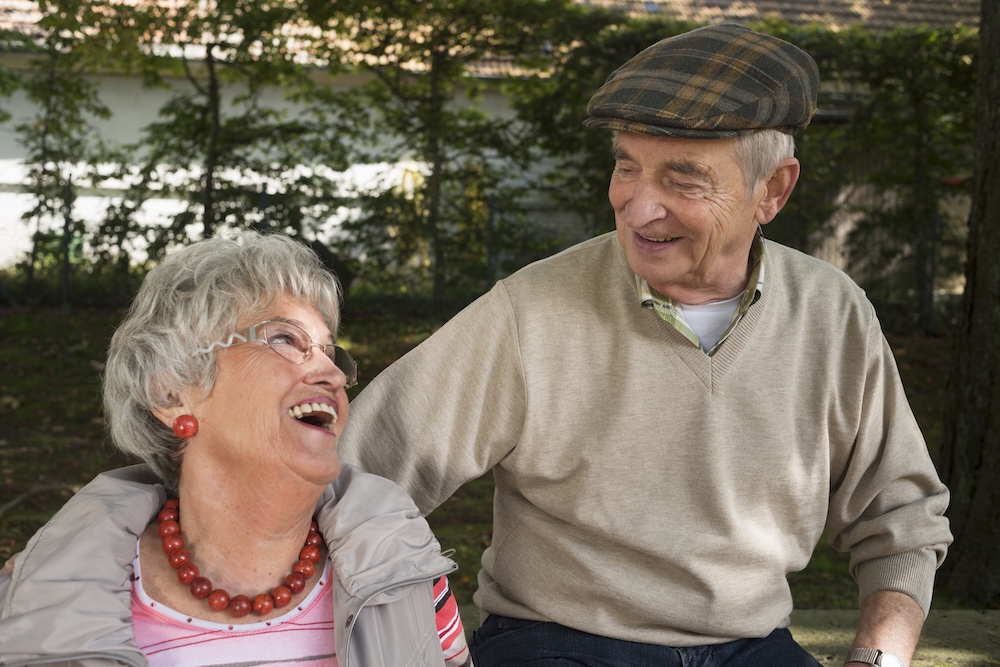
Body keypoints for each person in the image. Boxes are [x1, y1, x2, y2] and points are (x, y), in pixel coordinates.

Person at [335, 23, 953, 667]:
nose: (637, 208)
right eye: (627, 167)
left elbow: (901, 514)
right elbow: (358, 472)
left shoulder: (832, 312)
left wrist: (875, 660)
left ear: (772, 189)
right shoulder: (531, 310)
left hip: (751, 645)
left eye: (684, 180)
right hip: (553, 640)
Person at [0, 231, 471, 667]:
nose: (329, 374)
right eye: (286, 339)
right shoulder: (44, 604)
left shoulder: (401, 573)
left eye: (331, 353)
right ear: (171, 391)